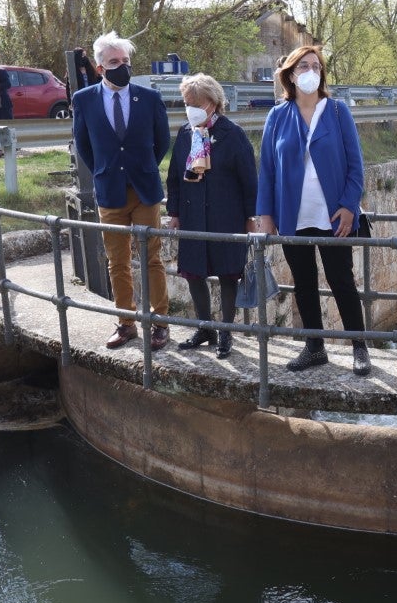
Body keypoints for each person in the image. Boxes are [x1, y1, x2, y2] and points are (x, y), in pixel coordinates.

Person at [256, 45, 370, 376]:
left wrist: (349, 206)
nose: (311, 71)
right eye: (304, 66)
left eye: (316, 66)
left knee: (341, 280)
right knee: (303, 282)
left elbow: (356, 166)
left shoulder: (336, 111)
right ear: (291, 74)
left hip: (334, 216)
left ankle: (359, 347)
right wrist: (266, 214)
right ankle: (315, 347)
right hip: (293, 215)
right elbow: (266, 169)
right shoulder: (277, 116)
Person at [71, 30, 172, 350]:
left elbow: (162, 142)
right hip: (110, 190)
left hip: (144, 190)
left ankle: (160, 323)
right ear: (100, 68)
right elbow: (85, 146)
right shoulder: (84, 99)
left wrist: (140, 168)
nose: (122, 66)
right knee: (117, 261)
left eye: (126, 61)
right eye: (115, 62)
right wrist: (108, 169)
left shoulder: (150, 97)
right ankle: (125, 322)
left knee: (151, 257)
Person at [165, 73, 258, 359]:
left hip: (226, 216)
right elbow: (174, 177)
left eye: (195, 102)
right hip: (193, 216)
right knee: (194, 273)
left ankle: (226, 333)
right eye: (186, 102)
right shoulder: (184, 134)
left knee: (229, 275)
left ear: (213, 103)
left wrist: (250, 218)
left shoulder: (233, 134)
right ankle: (205, 327)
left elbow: (249, 180)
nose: (189, 107)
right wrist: (175, 212)